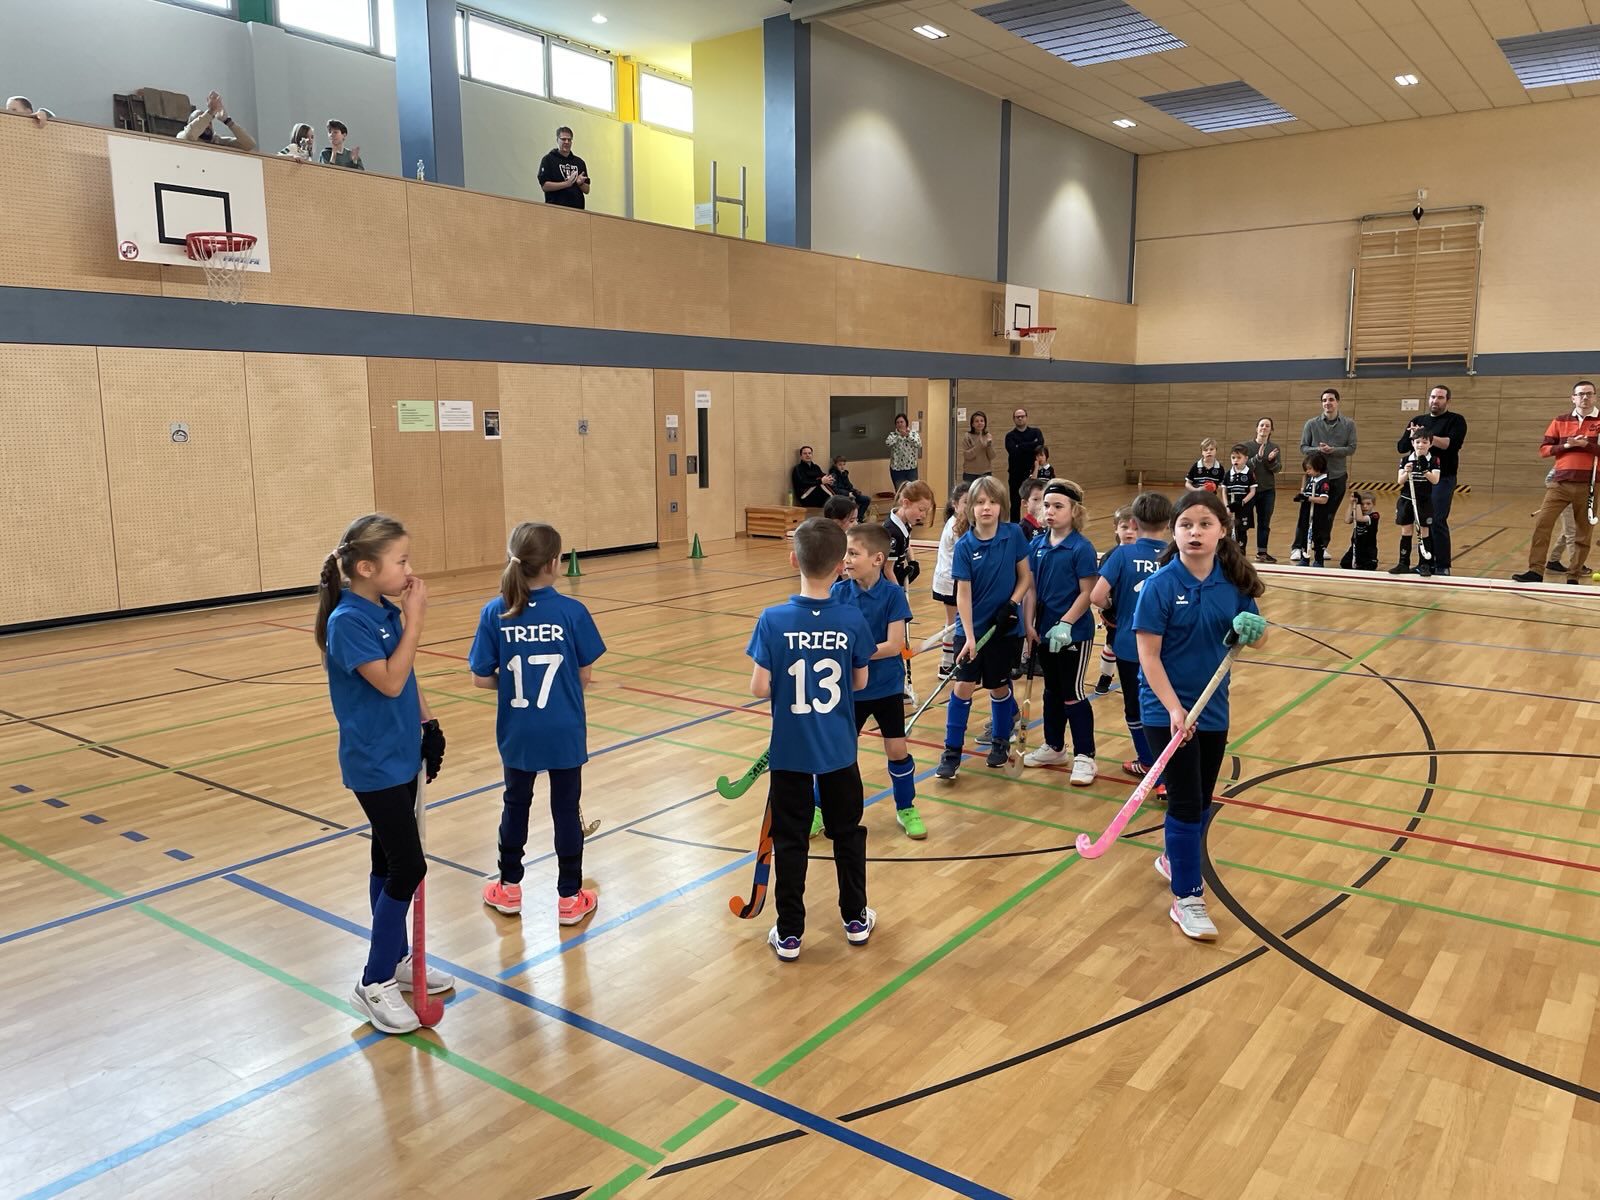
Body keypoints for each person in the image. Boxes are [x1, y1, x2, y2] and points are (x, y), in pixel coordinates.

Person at [315, 514, 452, 1035]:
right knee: (409, 866)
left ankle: (395, 956)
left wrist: (429, 724)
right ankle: (373, 981)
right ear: (367, 568)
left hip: (401, 753)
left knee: (387, 858)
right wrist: (416, 619)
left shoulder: (383, 611)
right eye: (401, 561)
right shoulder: (347, 622)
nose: (409, 571)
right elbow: (390, 682)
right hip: (372, 763)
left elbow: (407, 675)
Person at [1134, 490, 1267, 941]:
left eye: (1205, 524)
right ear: (1173, 532)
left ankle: (1174, 856)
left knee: (1202, 800)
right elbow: (1148, 657)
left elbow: (1257, 637)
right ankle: (1187, 897)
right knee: (1187, 802)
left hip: (1212, 710)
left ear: (1222, 531)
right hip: (1164, 710)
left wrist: (1252, 631)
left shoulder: (1232, 585)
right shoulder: (1160, 586)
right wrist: (1174, 709)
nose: (1195, 532)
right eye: (1186, 524)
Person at [747, 518, 876, 961]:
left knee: (791, 839)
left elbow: (759, 688)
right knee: (847, 834)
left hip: (790, 751)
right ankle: (855, 918)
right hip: (839, 748)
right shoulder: (851, 617)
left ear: (793, 560)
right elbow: (859, 682)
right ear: (841, 566)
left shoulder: (773, 619)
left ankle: (789, 932)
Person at [472, 523, 605, 924]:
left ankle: (508, 888)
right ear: (553, 563)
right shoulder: (572, 612)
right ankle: (570, 897)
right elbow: (583, 675)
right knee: (566, 808)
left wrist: (515, 683)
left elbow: (480, 677)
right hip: (564, 727)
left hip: (519, 730)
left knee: (516, 803)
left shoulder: (495, 611)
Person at [832, 523, 924, 839]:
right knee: (838, 752)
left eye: (853, 553)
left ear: (877, 559)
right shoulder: (838, 593)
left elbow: (895, 644)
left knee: (897, 749)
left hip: (886, 688)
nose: (845, 559)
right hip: (850, 690)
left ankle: (906, 807)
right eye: (844, 553)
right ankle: (821, 807)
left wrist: (858, 653)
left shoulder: (893, 595)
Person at [935, 475, 1030, 780]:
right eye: (979, 502)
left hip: (1004, 629)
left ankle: (1000, 742)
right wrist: (969, 636)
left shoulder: (1013, 535)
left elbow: (1025, 577)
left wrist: (1012, 604)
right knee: (962, 687)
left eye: (992, 502)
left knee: (999, 686)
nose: (986, 507)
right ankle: (952, 752)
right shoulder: (965, 545)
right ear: (970, 509)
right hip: (971, 630)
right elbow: (962, 594)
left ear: (1002, 506)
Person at [1021, 480, 1099, 786]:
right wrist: (1029, 625)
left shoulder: (1081, 547)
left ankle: (1085, 756)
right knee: (1051, 690)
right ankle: (1054, 747)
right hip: (1043, 631)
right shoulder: (1037, 545)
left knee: (1072, 692)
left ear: (1074, 511)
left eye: (1058, 506)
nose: (1050, 511)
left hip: (1074, 634)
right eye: (1046, 506)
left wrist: (1065, 623)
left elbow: (1088, 593)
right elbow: (1031, 589)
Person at [1092, 492, 1172, 783]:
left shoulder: (1122, 555)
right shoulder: (1174, 555)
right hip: (1167, 648)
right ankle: (1169, 770)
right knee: (1167, 705)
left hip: (1129, 644)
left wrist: (1114, 607)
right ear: (1169, 523)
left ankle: (1149, 764)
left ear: (1135, 522)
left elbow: (1097, 596)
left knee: (1135, 707)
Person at [1513, 381, 1600, 584]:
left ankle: (1574, 575)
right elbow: (1544, 450)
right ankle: (1535, 571)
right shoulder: (1560, 421)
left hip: (1589, 485)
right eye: (1580, 394)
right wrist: (1566, 446)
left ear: (1595, 397)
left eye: (1589, 394)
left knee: (1583, 533)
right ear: (1573, 398)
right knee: (1542, 524)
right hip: (1559, 484)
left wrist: (1585, 445)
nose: (1585, 397)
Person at [1398, 385, 1466, 575]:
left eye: (1440, 397)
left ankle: (1442, 565)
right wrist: (1413, 436)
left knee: (1436, 518)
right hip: (1418, 480)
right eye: (1433, 397)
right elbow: (1402, 447)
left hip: (1442, 477)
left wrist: (1426, 436)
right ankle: (1425, 563)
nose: (1435, 400)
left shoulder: (1456, 420)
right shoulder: (1418, 420)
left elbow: (1450, 445)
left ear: (1447, 401)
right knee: (1420, 521)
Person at [884, 480, 935, 705]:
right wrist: (899, 598)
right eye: (921, 509)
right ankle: (895, 686)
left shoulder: (904, 522)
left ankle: (899, 685)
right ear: (905, 503)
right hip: (888, 589)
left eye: (926, 511)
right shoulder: (891, 532)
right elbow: (886, 569)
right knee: (895, 640)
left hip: (896, 581)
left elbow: (908, 543)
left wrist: (912, 562)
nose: (923, 515)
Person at [1094, 506, 1137, 695]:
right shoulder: (1111, 556)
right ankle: (1106, 675)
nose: (1129, 532)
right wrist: (1108, 606)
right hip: (1116, 612)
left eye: (1135, 528)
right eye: (1124, 527)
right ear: (1116, 528)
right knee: (1112, 643)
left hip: (1140, 610)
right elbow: (1101, 588)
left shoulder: (1146, 555)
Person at [932, 482, 971, 677]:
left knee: (957, 621)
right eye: (966, 502)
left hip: (952, 580)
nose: (970, 506)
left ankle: (954, 661)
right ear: (955, 505)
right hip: (950, 582)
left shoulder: (961, 523)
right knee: (953, 622)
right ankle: (946, 664)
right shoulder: (957, 526)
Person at [1389, 432, 1440, 577]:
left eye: (1424, 442)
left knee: (1424, 532)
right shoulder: (1406, 459)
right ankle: (1403, 563)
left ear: (1430, 444)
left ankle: (1424, 565)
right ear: (1412, 443)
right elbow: (1400, 481)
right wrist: (1406, 472)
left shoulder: (1433, 460)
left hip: (1423, 501)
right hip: (1407, 500)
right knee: (1406, 531)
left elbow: (1435, 480)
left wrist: (1425, 470)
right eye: (1417, 442)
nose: (1420, 445)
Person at [1299, 389, 1357, 513]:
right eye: (1324, 400)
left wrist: (1333, 450)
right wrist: (1318, 449)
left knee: (1328, 516)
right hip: (1315, 477)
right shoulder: (1311, 424)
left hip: (1337, 476)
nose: (1327, 403)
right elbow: (1303, 447)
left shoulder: (1349, 424)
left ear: (1337, 402)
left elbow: (1351, 448)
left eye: (1331, 399)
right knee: (1307, 514)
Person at [1289, 452, 1332, 567]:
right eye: (1306, 469)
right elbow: (1305, 494)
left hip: (1318, 515)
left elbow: (1324, 500)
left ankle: (1318, 560)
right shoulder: (1311, 479)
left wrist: (1308, 498)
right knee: (1304, 536)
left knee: (1317, 538)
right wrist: (1301, 497)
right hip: (1306, 513)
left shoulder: (1324, 482)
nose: (1307, 471)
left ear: (1318, 467)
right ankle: (1305, 558)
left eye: (1309, 469)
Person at [1248, 416, 1282, 563]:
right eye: (1261, 425)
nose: (1264, 428)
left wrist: (1271, 460)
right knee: (1243, 522)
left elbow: (1277, 469)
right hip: (1249, 490)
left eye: (1267, 426)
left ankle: (1262, 553)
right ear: (1257, 428)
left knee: (1264, 523)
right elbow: (1243, 467)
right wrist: (1258, 457)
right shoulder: (1246, 446)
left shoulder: (1274, 448)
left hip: (1267, 490)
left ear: (1271, 430)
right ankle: (1239, 550)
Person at [177, 91, 256, 150]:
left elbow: (249, 144)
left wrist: (228, 121)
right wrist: (211, 112)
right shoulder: (182, 137)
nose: (208, 125)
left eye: (210, 122)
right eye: (204, 122)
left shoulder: (218, 141)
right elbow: (190, 135)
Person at [1004, 408, 1045, 522]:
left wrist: (1020, 446)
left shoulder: (1036, 432)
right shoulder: (1010, 436)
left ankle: (1038, 523)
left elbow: (1039, 445)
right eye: (1018, 417)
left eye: (1022, 416)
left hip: (1033, 473)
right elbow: (1013, 452)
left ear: (1026, 417)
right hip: (1015, 474)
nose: (1020, 418)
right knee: (1015, 503)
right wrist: (1032, 444)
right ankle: (1015, 526)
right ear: (1014, 419)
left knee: (1036, 500)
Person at [538, 125, 589, 209]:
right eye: (563, 139)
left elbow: (587, 190)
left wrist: (580, 183)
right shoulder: (548, 159)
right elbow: (545, 186)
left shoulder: (579, 162)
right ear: (557, 140)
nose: (566, 142)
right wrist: (566, 184)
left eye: (569, 139)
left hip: (577, 210)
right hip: (555, 208)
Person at [1543, 464, 1579, 573]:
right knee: (1572, 532)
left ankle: (1553, 561)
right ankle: (1576, 565)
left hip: (1576, 498)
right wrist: (1558, 494)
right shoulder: (1567, 462)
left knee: (1566, 531)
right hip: (1565, 498)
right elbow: (1549, 479)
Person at [1223, 443, 1258, 547]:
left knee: (1242, 531)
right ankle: (1229, 552)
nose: (1235, 460)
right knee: (1229, 531)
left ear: (1246, 459)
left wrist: (1242, 502)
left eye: (1239, 458)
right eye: (1233, 457)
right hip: (1231, 508)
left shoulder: (1249, 473)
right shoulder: (1228, 474)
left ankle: (1241, 552)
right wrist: (1227, 506)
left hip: (1244, 508)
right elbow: (1224, 491)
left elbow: (1252, 491)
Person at [1341, 491, 1380, 571]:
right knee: (1345, 563)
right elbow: (1347, 520)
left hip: (1368, 548)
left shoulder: (1374, 515)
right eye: (1362, 504)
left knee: (1370, 566)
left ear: (1373, 504)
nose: (1365, 506)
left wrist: (1358, 503)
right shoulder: (1358, 512)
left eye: (1368, 504)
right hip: (1356, 546)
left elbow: (1360, 518)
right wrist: (1351, 503)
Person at [829, 455, 872, 522]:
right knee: (852, 502)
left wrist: (855, 491)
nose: (842, 466)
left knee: (866, 499)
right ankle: (852, 520)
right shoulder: (833, 475)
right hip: (841, 496)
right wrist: (848, 493)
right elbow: (835, 489)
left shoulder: (844, 473)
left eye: (844, 464)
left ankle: (858, 518)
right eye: (840, 465)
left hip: (849, 494)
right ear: (835, 465)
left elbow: (849, 486)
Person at [884, 413, 922, 490]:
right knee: (900, 492)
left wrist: (907, 436)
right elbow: (888, 443)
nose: (900, 424)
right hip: (897, 469)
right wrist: (899, 436)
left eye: (901, 422)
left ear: (906, 423)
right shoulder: (893, 435)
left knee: (913, 491)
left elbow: (918, 444)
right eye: (897, 422)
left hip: (911, 468)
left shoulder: (913, 434)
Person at [961, 411, 993, 482]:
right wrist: (979, 445)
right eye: (977, 421)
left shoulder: (988, 436)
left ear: (985, 423)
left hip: (986, 472)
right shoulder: (967, 436)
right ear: (972, 424)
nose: (980, 423)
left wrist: (989, 445)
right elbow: (967, 456)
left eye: (982, 421)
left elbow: (992, 456)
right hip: (970, 473)